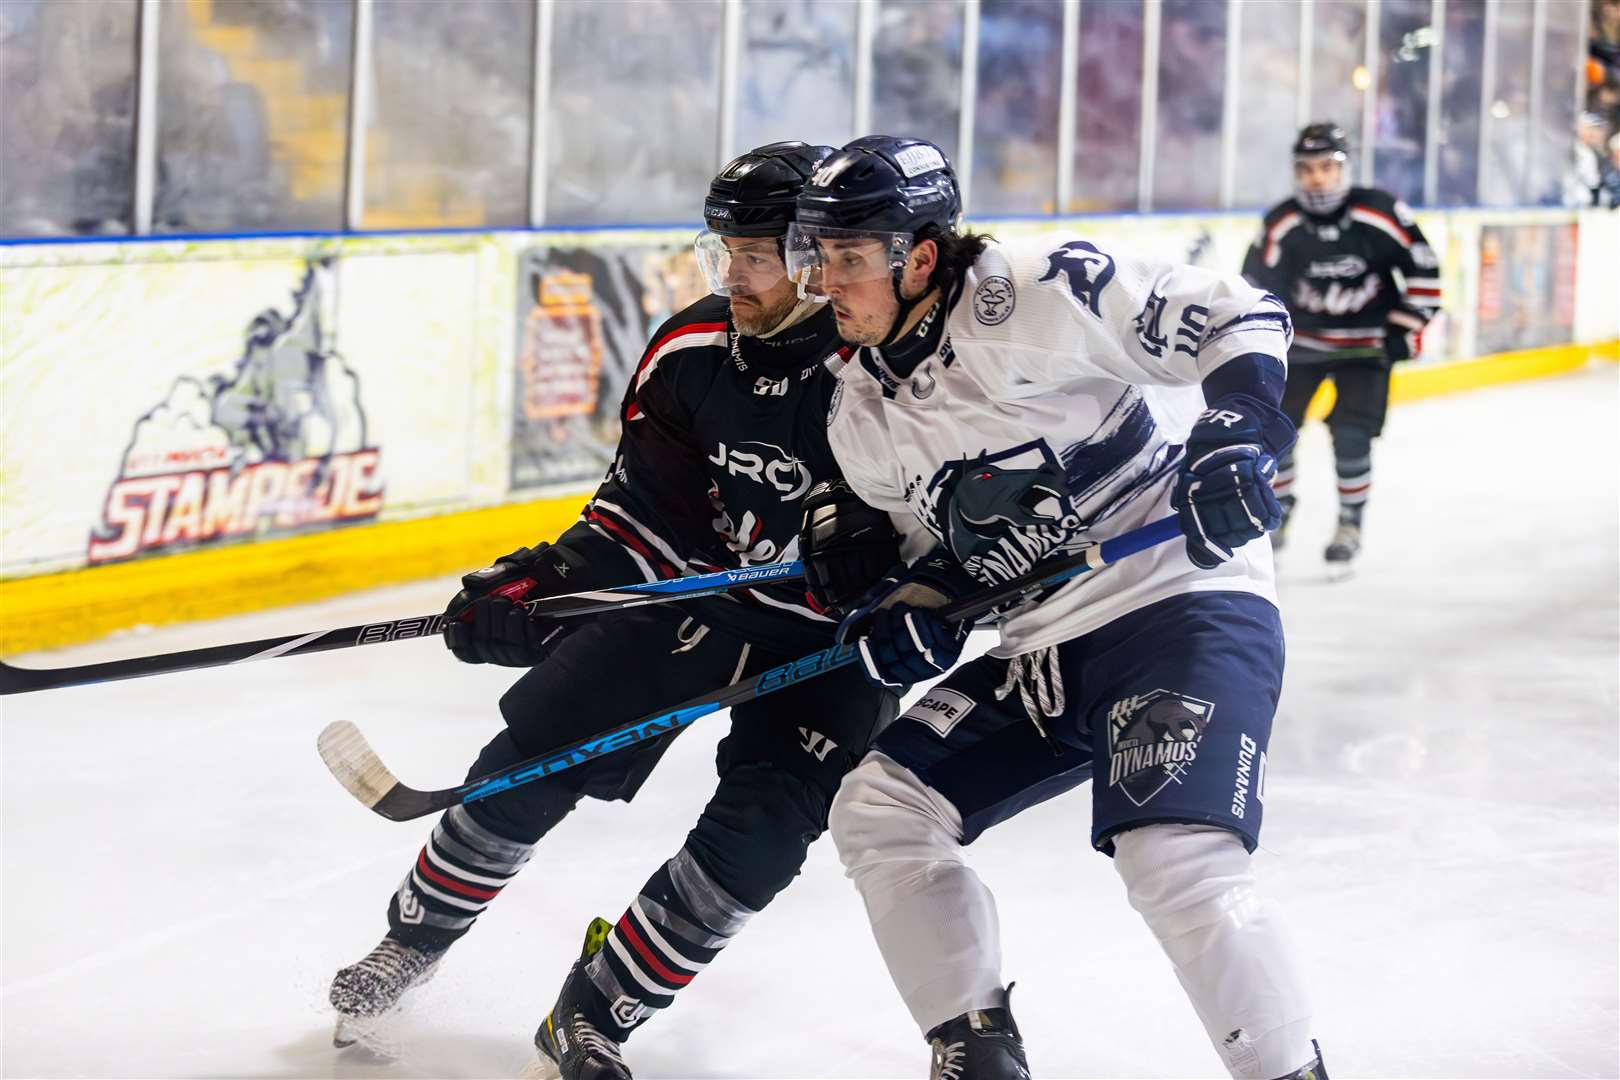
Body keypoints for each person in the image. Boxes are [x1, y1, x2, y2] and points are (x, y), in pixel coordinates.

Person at [328, 142, 903, 1080]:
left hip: (833, 639)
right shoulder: (692, 351)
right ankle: (414, 943)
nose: (732, 279)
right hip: (700, 599)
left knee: (761, 836)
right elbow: (642, 511)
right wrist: (545, 581)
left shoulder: (881, 370)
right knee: (530, 756)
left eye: (753, 258)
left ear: (812, 258)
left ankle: (596, 1010)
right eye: (721, 254)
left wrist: (890, 581)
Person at [785, 135, 1326, 1079]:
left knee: (1172, 855)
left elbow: (1239, 312)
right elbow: (953, 567)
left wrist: (1239, 431)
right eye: (817, 256)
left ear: (919, 257)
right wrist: (911, 609)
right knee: (880, 808)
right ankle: (977, 1057)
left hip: (1179, 598)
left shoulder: (1032, 291)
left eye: (850, 259)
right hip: (1045, 641)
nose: (826, 281)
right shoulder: (859, 416)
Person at [1241, 123, 1442, 573]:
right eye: (1307, 169)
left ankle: (1350, 522)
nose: (1317, 178)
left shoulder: (1380, 212)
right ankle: (1280, 509)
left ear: (1344, 168)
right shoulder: (1283, 222)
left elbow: (1424, 269)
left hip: (1366, 347)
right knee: (1276, 432)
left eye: (1327, 167)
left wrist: (1404, 327)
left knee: (1351, 436)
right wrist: (1264, 339)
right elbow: (1254, 287)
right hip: (1304, 346)